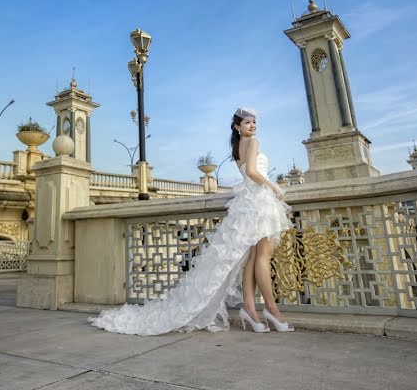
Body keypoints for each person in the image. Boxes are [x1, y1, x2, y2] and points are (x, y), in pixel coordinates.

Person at [89, 107, 295, 335]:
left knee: (253, 257)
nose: (252, 126)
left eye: (254, 122)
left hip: (248, 203)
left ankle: (249, 307)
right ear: (238, 126)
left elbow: (247, 171)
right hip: (259, 201)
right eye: (247, 122)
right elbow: (255, 172)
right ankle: (272, 310)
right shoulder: (253, 142)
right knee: (263, 257)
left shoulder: (238, 147)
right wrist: (275, 186)